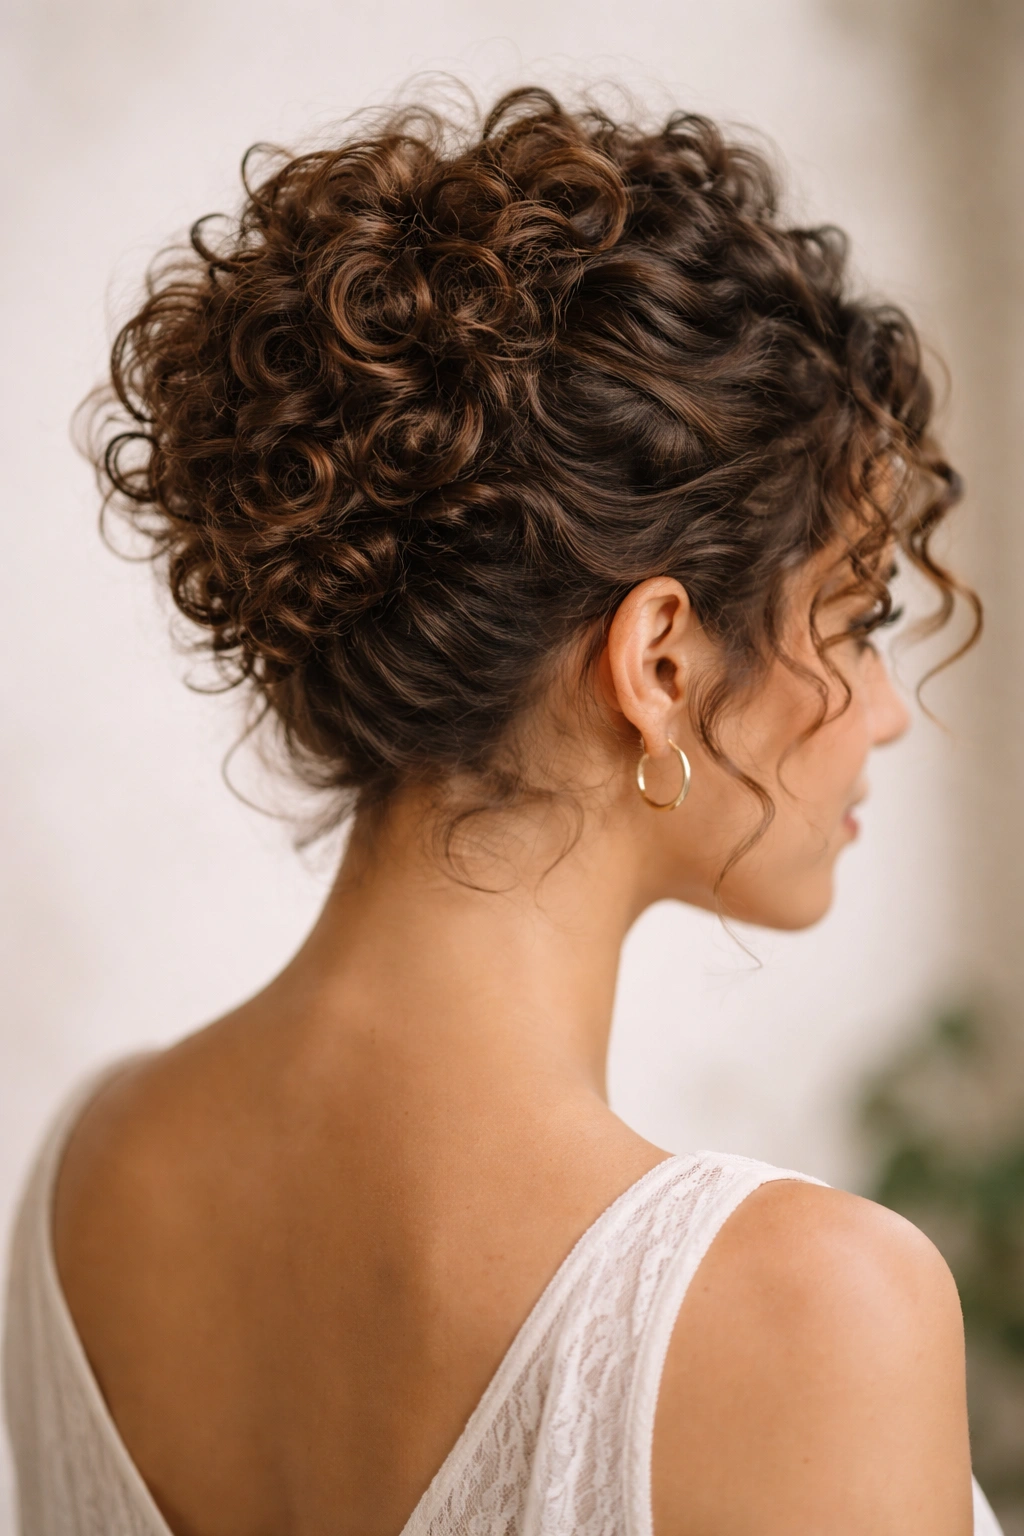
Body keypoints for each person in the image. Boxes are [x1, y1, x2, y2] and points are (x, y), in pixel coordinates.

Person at [2, 86, 998, 1535]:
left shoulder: (88, 1182)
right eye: (854, 619)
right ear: (658, 661)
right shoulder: (815, 1312)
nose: (888, 707)